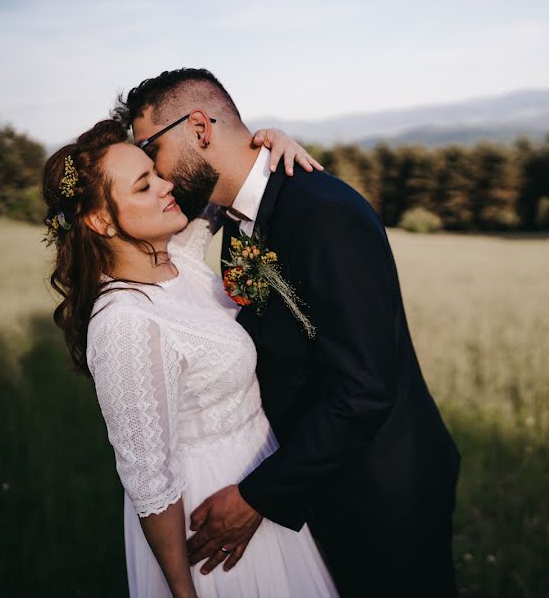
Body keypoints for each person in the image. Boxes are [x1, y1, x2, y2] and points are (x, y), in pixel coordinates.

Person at [115, 68, 462, 597]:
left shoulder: (323, 213)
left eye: (151, 149)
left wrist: (257, 496)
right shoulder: (237, 218)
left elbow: (365, 387)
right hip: (317, 479)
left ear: (201, 129)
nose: (155, 174)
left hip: (382, 490)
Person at [43, 119, 337, 597]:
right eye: (144, 185)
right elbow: (149, 482)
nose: (166, 186)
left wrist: (269, 145)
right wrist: (182, 591)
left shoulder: (178, 253)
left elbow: (227, 174)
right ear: (100, 221)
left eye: (154, 173)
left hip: (260, 476)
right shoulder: (126, 321)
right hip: (211, 515)